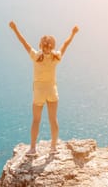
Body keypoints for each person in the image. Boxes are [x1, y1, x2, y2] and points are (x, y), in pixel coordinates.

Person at [9, 21, 79, 156]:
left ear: (41, 45)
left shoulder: (36, 56)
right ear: (53, 46)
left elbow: (23, 42)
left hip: (39, 92)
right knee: (53, 119)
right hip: (52, 91)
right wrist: (73, 33)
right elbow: (66, 44)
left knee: (36, 120)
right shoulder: (56, 57)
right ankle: (53, 147)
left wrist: (15, 29)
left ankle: (33, 149)